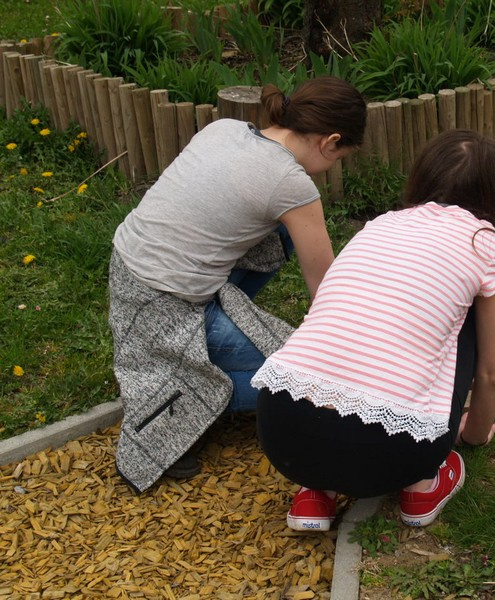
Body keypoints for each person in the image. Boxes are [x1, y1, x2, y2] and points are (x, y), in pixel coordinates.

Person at [252, 129, 495, 530]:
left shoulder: (379, 225)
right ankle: (423, 487)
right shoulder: (487, 244)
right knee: (465, 322)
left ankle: (315, 493)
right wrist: (473, 436)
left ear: (423, 176)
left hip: (281, 432)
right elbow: (492, 374)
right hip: (395, 456)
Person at [108, 76, 367, 493]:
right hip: (167, 307)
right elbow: (326, 289)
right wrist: (351, 362)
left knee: (282, 231)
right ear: (330, 141)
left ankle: (196, 354)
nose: (333, 167)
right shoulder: (291, 184)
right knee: (302, 381)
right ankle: (181, 403)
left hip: (127, 278)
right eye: (339, 157)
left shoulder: (224, 129)